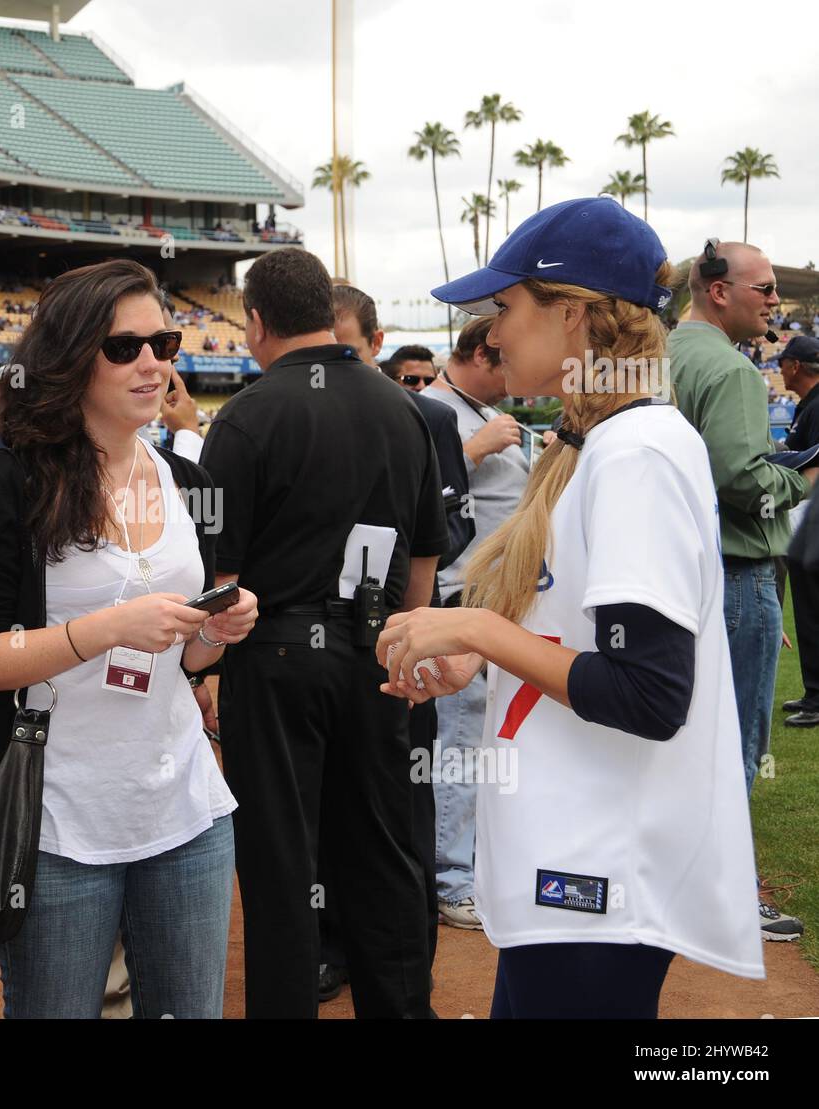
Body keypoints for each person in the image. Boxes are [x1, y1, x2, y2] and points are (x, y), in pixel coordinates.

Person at [383, 196, 765, 1018]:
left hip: (602, 877)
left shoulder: (637, 452)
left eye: (506, 307)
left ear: (574, 316)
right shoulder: (600, 442)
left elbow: (649, 693)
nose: (490, 336)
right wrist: (481, 655)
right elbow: (578, 633)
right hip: (566, 866)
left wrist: (477, 625)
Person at [0, 259, 257, 1019]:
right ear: (72, 355)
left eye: (165, 341)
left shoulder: (183, 477)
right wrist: (104, 629)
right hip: (55, 825)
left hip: (185, 808)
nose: (153, 362)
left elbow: (185, 659)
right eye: (125, 347)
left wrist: (215, 632)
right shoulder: (5, 481)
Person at [201, 247, 448, 1019]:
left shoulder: (244, 416)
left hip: (273, 653)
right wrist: (403, 640)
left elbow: (220, 576)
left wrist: (209, 672)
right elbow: (425, 556)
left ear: (258, 320)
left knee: (281, 868)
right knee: (384, 854)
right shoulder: (402, 407)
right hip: (379, 646)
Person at [328, 282, 475, 994]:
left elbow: (446, 533)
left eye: (345, 348)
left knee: (404, 800)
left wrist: (410, 620)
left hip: (399, 639)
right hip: (318, 652)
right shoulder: (281, 415)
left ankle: (411, 942)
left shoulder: (425, 419)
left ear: (374, 346)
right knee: (327, 806)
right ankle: (332, 947)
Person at [669, 239, 816, 940]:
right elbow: (743, 482)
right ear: (718, 290)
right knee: (735, 744)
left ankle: (688, 886)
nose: (774, 302)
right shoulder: (727, 368)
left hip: (682, 573)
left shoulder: (665, 352)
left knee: (687, 742)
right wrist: (799, 478)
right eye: (763, 288)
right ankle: (723, 896)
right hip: (733, 573)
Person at [421, 316, 530, 930]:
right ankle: (448, 875)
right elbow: (415, 496)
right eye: (506, 360)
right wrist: (471, 452)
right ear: (484, 353)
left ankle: (471, 864)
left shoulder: (475, 410)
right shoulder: (433, 410)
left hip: (500, 602)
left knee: (489, 743)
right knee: (459, 744)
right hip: (459, 596)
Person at [776, 336, 819, 728]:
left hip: (812, 518)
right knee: (806, 609)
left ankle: (818, 699)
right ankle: (813, 693)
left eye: (783, 362)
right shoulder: (809, 406)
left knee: (811, 609)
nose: (779, 369)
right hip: (807, 517)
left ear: (795, 366)